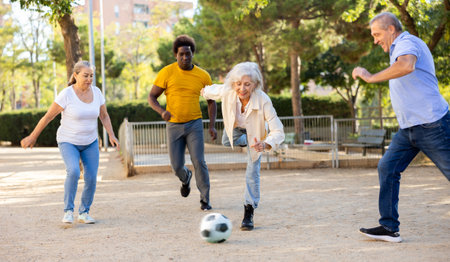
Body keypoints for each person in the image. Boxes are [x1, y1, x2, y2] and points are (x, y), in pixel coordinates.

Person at [352, 12, 450, 243]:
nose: (375, 40)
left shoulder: (407, 43)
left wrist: (369, 76)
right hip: (409, 130)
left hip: (432, 124)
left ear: (391, 29)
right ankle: (389, 227)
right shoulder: (397, 48)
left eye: (377, 34)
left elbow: (406, 66)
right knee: (387, 168)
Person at [20, 60, 119, 224]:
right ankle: (68, 211)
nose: (89, 79)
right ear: (75, 75)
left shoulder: (97, 92)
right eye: (85, 75)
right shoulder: (67, 94)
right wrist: (33, 136)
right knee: (73, 171)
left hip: (90, 142)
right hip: (68, 141)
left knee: (92, 177)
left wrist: (112, 135)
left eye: (91, 76)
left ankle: (84, 212)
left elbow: (104, 116)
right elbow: (48, 117)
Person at [202, 62, 284, 230]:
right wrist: (203, 91)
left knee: (252, 171)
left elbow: (278, 130)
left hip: (256, 134)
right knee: (226, 141)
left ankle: (249, 210)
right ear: (233, 84)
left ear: (255, 84)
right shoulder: (227, 91)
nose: (242, 88)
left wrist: (266, 143)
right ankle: (246, 142)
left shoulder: (263, 100)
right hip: (235, 129)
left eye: (247, 84)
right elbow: (210, 91)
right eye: (238, 84)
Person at [148, 35, 217, 211]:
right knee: (176, 165)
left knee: (199, 161)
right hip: (173, 125)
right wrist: (162, 111)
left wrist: (211, 125)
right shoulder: (167, 72)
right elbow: (152, 97)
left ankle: (205, 199)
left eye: (188, 54)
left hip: (194, 124)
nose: (185, 57)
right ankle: (185, 178)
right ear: (176, 55)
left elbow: (211, 101)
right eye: (181, 54)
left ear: (192, 54)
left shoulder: (202, 75)